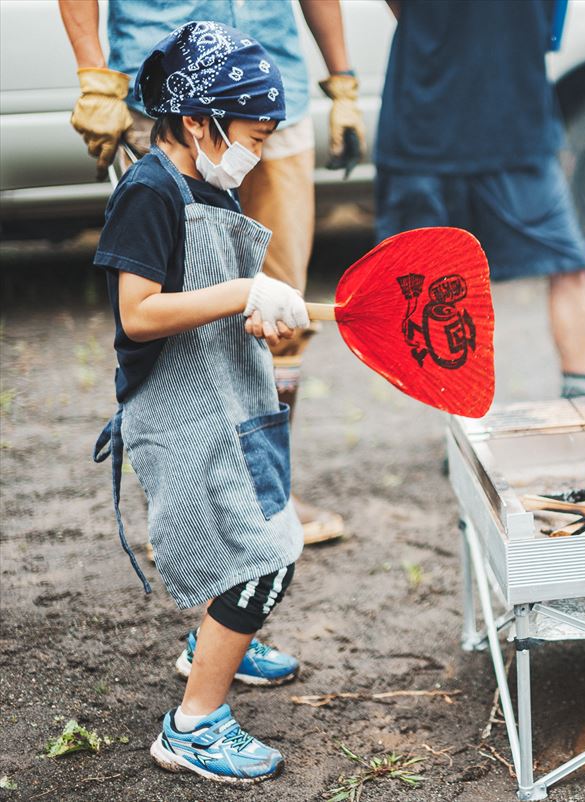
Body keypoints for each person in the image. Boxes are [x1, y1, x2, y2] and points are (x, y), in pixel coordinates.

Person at [90, 22, 311, 783]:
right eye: (254, 133)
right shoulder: (149, 190)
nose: (259, 149)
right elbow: (140, 313)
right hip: (184, 414)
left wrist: (257, 314)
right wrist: (244, 289)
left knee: (270, 532)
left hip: (234, 397)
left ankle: (213, 646)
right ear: (197, 120)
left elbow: (206, 296)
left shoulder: (210, 179)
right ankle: (192, 726)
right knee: (262, 560)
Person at [60, 0, 364, 543]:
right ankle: (185, 509)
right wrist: (93, 73)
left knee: (282, 317)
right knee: (185, 327)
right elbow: (141, 315)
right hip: (168, 90)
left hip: (277, 86)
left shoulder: (264, 129)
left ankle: (266, 488)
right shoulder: (156, 181)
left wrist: (341, 78)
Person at [374, 0, 585, 399]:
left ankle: (581, 392)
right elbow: (551, 31)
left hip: (502, 127)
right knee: (441, 286)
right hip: (436, 129)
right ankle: (460, 417)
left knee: (567, 261)